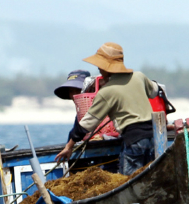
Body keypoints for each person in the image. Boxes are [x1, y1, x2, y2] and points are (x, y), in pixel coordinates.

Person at [55, 42, 160, 175]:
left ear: (106, 67)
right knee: (149, 174)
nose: (98, 69)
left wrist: (69, 146)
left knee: (128, 179)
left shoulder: (106, 92)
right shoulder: (139, 76)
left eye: (100, 66)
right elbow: (155, 90)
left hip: (133, 139)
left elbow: (86, 125)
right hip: (153, 137)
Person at [54, 69, 91, 142]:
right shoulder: (79, 116)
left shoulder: (100, 106)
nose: (74, 95)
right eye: (71, 91)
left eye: (78, 90)